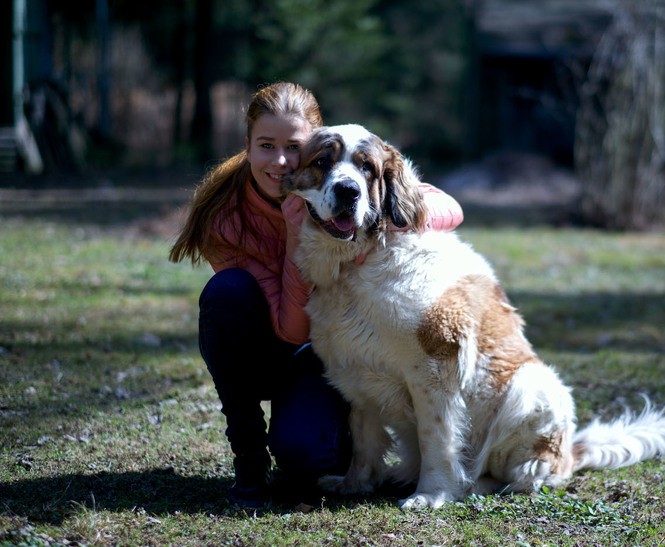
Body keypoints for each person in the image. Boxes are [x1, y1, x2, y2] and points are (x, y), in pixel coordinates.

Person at [169, 81, 463, 508]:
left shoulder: (338, 178)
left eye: (293, 147)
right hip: (269, 344)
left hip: (324, 353)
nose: (281, 161)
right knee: (226, 293)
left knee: (312, 455)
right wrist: (294, 237)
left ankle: (337, 439)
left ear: (313, 146)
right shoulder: (226, 218)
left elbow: (449, 208)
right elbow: (290, 330)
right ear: (248, 147)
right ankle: (249, 456)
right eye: (266, 146)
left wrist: (388, 215)